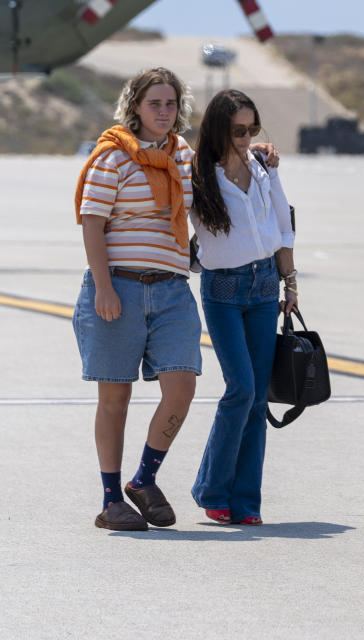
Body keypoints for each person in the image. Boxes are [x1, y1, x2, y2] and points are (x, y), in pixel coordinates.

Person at [73, 67, 200, 531]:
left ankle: (143, 479)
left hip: (171, 289)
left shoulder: (183, 154)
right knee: (115, 397)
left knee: (182, 388)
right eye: (154, 104)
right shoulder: (113, 157)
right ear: (136, 107)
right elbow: (91, 221)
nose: (163, 112)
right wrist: (104, 287)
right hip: (120, 287)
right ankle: (111, 501)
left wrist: (258, 150)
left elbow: (213, 188)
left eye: (170, 104)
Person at [189, 89, 296, 526]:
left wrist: (290, 283)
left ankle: (246, 500)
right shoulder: (197, 176)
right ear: (217, 129)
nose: (246, 137)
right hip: (224, 291)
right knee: (241, 390)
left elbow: (282, 227)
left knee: (256, 401)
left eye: (252, 129)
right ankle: (211, 489)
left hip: (265, 287)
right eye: (238, 130)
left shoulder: (262, 166)